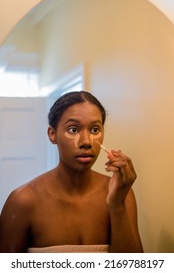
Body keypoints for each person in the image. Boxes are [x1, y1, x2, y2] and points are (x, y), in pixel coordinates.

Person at [0, 91, 143, 253]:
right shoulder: (22, 201)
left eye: (95, 130)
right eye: (73, 129)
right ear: (52, 134)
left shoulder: (121, 194)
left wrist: (117, 206)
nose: (86, 142)